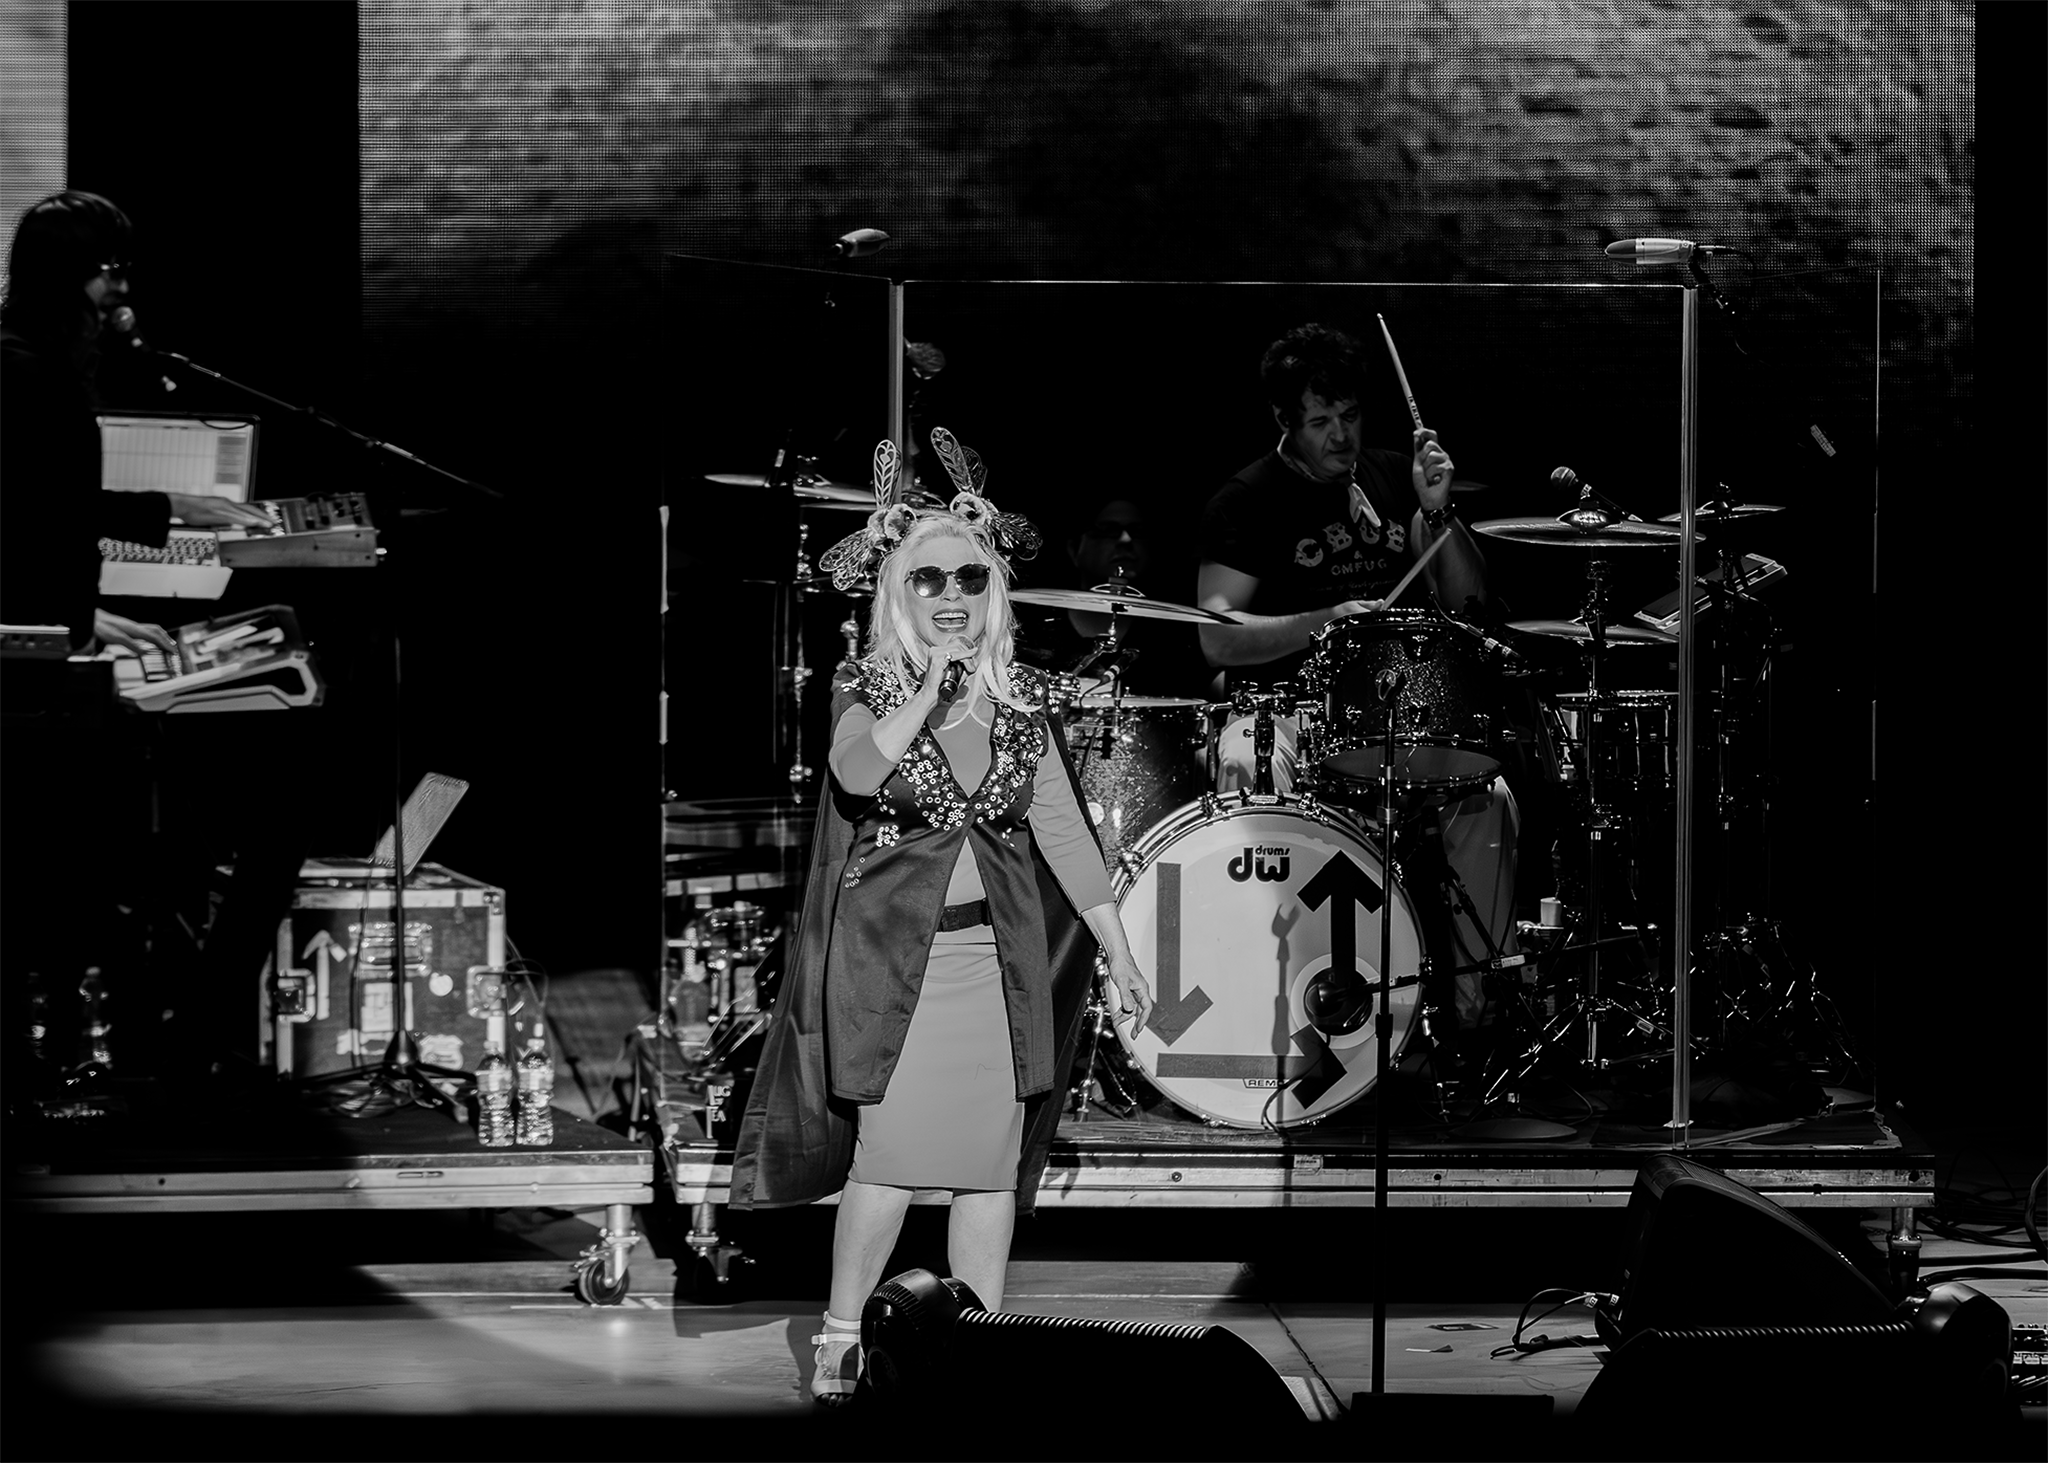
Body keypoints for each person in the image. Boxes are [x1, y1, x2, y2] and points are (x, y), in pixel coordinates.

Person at [731, 438, 1156, 1406]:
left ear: (993, 590)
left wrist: (1120, 950)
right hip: (896, 968)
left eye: (969, 576)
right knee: (887, 1163)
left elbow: (1064, 833)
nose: (951, 593)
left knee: (985, 1172)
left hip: (992, 966)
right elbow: (856, 773)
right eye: (928, 578)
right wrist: (930, 685)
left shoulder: (1022, 704)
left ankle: (977, 1345)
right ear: (899, 594)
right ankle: (843, 1334)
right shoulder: (867, 686)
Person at [1195, 322, 1518, 1028]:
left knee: (1486, 796)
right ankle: (1273, 993)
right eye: (1320, 422)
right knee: (1244, 763)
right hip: (1287, 710)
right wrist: (1328, 618)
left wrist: (1436, 509)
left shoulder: (1393, 475)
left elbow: (1468, 600)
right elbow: (1215, 638)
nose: (1340, 435)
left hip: (1397, 712)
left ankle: (1479, 1015)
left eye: (1349, 416)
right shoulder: (1246, 499)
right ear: (1283, 420)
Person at [0, 189, 268, 650]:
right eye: (113, 269)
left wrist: (73, 613)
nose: (123, 288)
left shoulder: (30, 361)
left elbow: (40, 506)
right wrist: (174, 506)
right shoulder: (21, 372)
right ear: (65, 273)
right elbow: (46, 511)